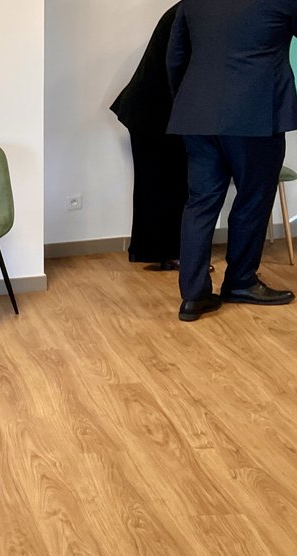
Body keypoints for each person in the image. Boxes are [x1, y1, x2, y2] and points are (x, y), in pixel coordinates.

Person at [166, 0, 297, 322]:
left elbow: (174, 57)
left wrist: (192, 103)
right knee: (253, 199)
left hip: (197, 114)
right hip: (256, 115)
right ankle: (240, 282)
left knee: (200, 202)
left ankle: (193, 296)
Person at [111, 3, 187, 271]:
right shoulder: (190, 13)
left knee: (159, 184)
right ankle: (169, 253)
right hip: (155, 111)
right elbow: (179, 67)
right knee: (168, 184)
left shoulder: (185, 10)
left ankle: (164, 252)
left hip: (152, 110)